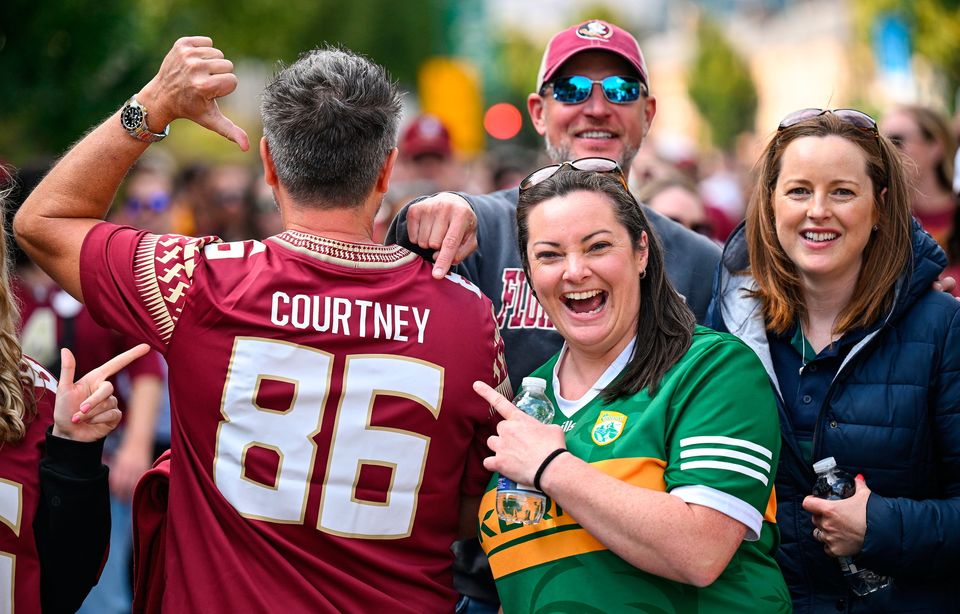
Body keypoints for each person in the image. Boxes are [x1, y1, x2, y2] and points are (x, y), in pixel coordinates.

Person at [14, 37, 509, 612]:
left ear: (268, 162)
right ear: (386, 169)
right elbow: (479, 505)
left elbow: (41, 222)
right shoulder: (467, 314)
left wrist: (154, 104)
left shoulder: (199, 283)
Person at [472, 162, 789, 612]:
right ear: (528, 271)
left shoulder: (714, 368)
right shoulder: (530, 395)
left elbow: (701, 551)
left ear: (641, 252)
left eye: (598, 246)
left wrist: (551, 467)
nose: (575, 271)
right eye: (549, 255)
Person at [708, 108, 960, 611]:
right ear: (771, 204)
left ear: (881, 207)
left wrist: (879, 526)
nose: (818, 210)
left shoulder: (942, 327)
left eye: (842, 192)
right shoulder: (724, 328)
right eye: (799, 191)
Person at [0, 178, 152, 612]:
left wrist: (134, 446)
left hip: (79, 439)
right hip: (29, 437)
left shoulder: (96, 286)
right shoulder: (19, 289)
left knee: (101, 595)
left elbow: (141, 366)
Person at [879, 104, 958, 251]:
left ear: (935, 147)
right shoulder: (878, 220)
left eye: (896, 140)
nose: (888, 151)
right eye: (881, 143)